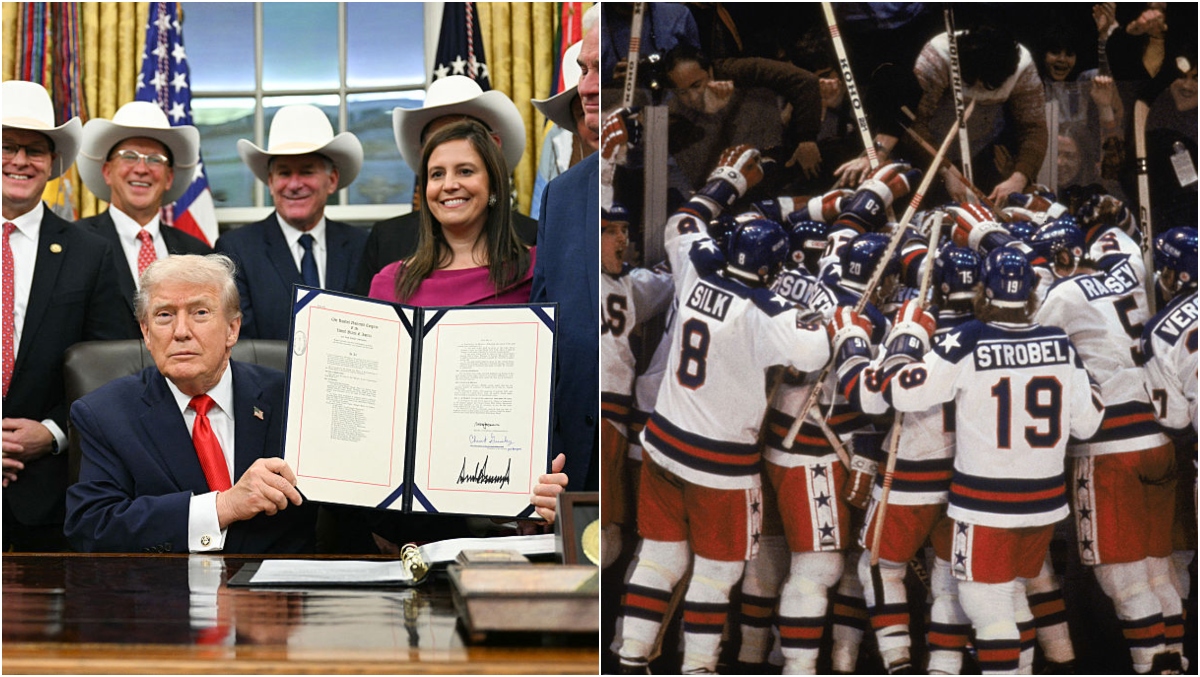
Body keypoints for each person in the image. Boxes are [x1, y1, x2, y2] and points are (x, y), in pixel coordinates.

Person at [834, 247, 1105, 675]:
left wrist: (858, 346)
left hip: (980, 502)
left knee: (983, 605)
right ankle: (951, 666)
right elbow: (1088, 423)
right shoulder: (1060, 342)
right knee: (1012, 596)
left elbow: (885, 394)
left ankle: (904, 662)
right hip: (1044, 504)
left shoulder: (964, 339)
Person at [64, 254, 317, 553]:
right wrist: (221, 507)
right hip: (167, 592)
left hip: (278, 592)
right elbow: (92, 526)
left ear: (232, 329)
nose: (181, 331)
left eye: (199, 312)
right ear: (146, 332)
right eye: (164, 315)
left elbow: (353, 505)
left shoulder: (293, 398)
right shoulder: (104, 414)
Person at [1, 80, 133, 551]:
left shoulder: (89, 253)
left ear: (54, 164)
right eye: (7, 145)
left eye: (35, 150)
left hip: (50, 501)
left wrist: (53, 433)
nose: (20, 160)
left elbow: (107, 371)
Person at [353, 75, 535, 295]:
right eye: (438, 173)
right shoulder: (389, 274)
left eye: (465, 171)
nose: (449, 185)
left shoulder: (538, 254)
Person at [214, 104, 367, 340]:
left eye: (306, 172)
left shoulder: (362, 246)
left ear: (332, 180)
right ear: (271, 182)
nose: (294, 185)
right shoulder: (237, 250)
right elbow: (240, 344)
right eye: (284, 173)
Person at [532, 14, 601, 492]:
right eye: (583, 70)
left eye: (602, 70)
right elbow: (543, 339)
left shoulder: (694, 185)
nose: (586, 88)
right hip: (574, 474)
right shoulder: (561, 194)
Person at [75, 101, 212, 331]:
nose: (141, 168)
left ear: (169, 178)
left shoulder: (199, 254)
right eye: (129, 156)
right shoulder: (76, 244)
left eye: (154, 159)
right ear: (107, 172)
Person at [531, 40, 601, 219]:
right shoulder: (556, 141)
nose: (593, 122)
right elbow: (540, 222)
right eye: (582, 114)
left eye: (601, 107)